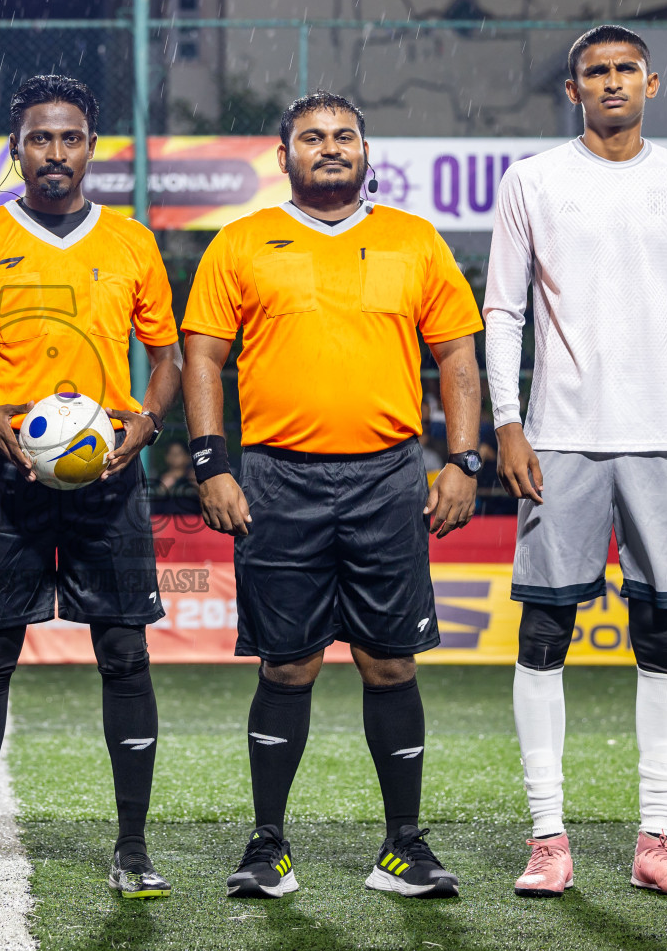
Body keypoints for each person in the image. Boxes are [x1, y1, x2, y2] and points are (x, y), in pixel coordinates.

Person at [182, 91, 482, 900]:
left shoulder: (413, 240)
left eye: (344, 135)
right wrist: (212, 463)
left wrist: (464, 460)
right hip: (279, 477)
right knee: (289, 665)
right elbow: (203, 357)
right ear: (283, 157)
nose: (330, 147)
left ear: (366, 149)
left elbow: (457, 355)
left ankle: (404, 848)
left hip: (389, 476)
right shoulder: (240, 243)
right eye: (312, 137)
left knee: (390, 662)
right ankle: (268, 845)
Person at [484, 25, 667, 898]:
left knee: (662, 639)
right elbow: (505, 313)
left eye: (624, 70)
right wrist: (508, 421)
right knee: (544, 635)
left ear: (652, 83)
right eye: (594, 72)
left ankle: (655, 840)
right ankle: (548, 838)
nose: (610, 83)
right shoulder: (533, 182)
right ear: (573, 91)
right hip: (559, 439)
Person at [0, 74, 182, 899]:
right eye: (40, 138)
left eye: (70, 138)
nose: (56, 153)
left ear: (91, 148)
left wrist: (146, 421)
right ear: (16, 149)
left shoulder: (133, 242)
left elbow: (170, 357)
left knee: (124, 652)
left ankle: (134, 848)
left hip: (108, 478)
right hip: (7, 481)